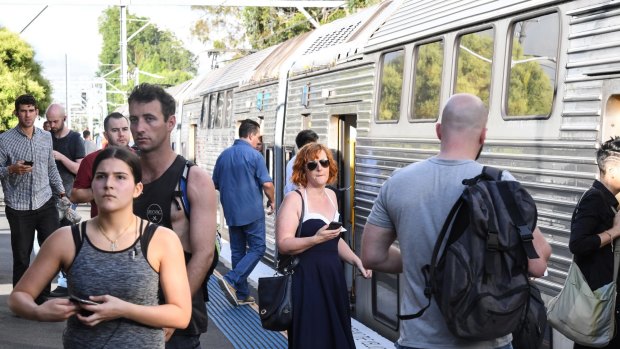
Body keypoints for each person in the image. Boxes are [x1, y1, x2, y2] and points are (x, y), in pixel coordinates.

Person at [360, 93, 552, 349]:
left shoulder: (398, 182)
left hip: (419, 340)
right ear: (483, 136)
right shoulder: (501, 184)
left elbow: (371, 256)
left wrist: (429, 262)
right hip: (488, 341)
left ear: (439, 131)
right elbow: (537, 264)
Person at [8, 146, 192, 348]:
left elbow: (181, 314)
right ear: (92, 185)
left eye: (120, 177)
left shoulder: (162, 239)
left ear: (137, 189)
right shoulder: (67, 239)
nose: (109, 185)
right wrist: (38, 311)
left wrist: (124, 309)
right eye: (101, 177)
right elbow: (18, 297)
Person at [129, 83, 217, 348]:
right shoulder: (124, 175)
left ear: (170, 123)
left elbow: (204, 254)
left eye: (149, 119)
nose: (139, 128)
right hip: (127, 310)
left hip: (176, 320)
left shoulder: (193, 180)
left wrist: (173, 312)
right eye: (134, 119)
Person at [276, 142, 371, 349]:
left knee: (337, 338)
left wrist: (356, 260)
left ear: (330, 167)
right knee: (312, 339)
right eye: (312, 165)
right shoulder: (295, 199)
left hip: (333, 279)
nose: (319, 168)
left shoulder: (332, 196)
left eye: (324, 162)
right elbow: (283, 244)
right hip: (306, 281)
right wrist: (315, 239)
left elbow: (334, 240)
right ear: (303, 170)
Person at [0, 94, 65, 303]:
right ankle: (20, 299)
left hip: (45, 201)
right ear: (16, 113)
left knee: (49, 252)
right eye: (23, 110)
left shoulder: (46, 137)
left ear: (37, 112)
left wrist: (61, 192)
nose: (27, 115)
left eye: (31, 110)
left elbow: (51, 168)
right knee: (21, 256)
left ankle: (43, 295)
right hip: (18, 206)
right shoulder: (5, 140)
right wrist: (11, 168)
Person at [212, 119, 275, 306]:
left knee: (238, 251)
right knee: (258, 248)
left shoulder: (223, 156)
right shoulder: (255, 156)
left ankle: (241, 294)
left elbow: (215, 183)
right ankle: (231, 279)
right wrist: (272, 200)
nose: (259, 142)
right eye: (258, 137)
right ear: (250, 135)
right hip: (252, 212)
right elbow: (267, 184)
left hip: (231, 212)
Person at [568, 136, 620, 349]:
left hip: (604, 302)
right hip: (596, 304)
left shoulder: (608, 201)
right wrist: (615, 231)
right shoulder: (594, 199)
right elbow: (577, 243)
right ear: (613, 170)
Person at [46, 103, 86, 297]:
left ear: (65, 118)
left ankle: (66, 282)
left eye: (56, 121)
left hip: (68, 197)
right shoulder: (46, 137)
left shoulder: (75, 139)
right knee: (47, 240)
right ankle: (58, 281)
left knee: (65, 239)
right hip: (46, 196)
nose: (52, 125)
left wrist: (60, 157)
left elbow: (80, 169)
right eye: (49, 121)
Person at [71, 112, 131, 218]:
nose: (121, 134)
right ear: (105, 135)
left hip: (135, 227)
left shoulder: (140, 159)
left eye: (125, 129)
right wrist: (103, 188)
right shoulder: (91, 160)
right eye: (115, 130)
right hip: (100, 226)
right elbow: (76, 196)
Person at [284, 130, 319, 195]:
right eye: (315, 145)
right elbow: (296, 186)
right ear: (307, 145)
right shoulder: (297, 162)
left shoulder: (295, 160)